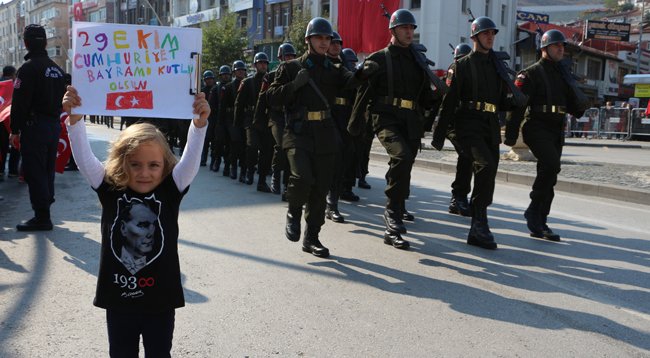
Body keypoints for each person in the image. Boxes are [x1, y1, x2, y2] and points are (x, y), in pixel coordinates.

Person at [62, 85, 210, 357]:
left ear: (164, 166)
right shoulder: (110, 188)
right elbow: (84, 160)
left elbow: (190, 161)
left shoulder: (171, 188)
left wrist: (199, 125)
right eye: (135, 164)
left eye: (153, 165)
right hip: (119, 300)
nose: (144, 173)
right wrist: (75, 120)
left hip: (160, 302)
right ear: (122, 163)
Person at [267, 17, 374, 258]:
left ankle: (312, 237)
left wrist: (364, 73)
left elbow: (350, 82)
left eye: (328, 38)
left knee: (320, 187)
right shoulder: (291, 68)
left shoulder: (335, 69)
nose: (325, 43)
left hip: (325, 133)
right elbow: (272, 98)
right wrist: (294, 86)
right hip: (298, 131)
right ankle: (293, 211)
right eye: (319, 38)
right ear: (308, 40)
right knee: (302, 176)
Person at [432, 16, 523, 250]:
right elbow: (449, 102)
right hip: (467, 125)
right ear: (474, 37)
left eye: (492, 34)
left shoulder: (497, 66)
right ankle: (479, 222)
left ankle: (479, 220)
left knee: (490, 169)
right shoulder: (461, 66)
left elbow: (501, 101)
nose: (490, 37)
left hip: (490, 126)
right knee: (485, 165)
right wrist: (438, 134)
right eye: (485, 34)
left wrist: (516, 101)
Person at [351, 9, 437, 249]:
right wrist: (361, 72)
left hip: (410, 120)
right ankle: (391, 213)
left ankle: (396, 216)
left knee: (404, 164)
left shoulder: (418, 61)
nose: (410, 32)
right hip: (385, 117)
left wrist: (438, 95)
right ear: (393, 31)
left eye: (412, 28)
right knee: (402, 156)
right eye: (404, 28)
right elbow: (356, 84)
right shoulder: (379, 58)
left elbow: (424, 98)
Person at [505, 29, 588, 242]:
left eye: (562, 46)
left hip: (556, 128)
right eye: (556, 45)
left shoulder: (563, 73)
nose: (561, 49)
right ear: (544, 48)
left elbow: (573, 106)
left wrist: (581, 102)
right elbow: (517, 107)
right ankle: (534, 210)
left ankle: (541, 221)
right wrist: (511, 134)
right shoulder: (530, 73)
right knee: (551, 165)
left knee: (550, 174)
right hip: (536, 126)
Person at [9, 24, 66, 231]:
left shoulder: (28, 69)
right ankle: (45, 209)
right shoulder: (57, 70)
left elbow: (19, 103)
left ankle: (42, 217)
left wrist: (14, 130)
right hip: (53, 126)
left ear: (25, 43)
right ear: (45, 42)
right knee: (47, 169)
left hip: (35, 127)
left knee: (35, 171)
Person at [325, 33, 358, 223]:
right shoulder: (323, 65)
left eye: (338, 43)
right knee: (332, 157)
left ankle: (333, 201)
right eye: (333, 42)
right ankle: (328, 201)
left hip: (345, 115)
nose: (336, 46)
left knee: (344, 158)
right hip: (328, 115)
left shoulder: (346, 66)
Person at [234, 52, 272, 191]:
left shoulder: (271, 81)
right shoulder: (247, 82)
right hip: (250, 120)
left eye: (265, 63)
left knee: (266, 151)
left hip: (266, 120)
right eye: (260, 63)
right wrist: (237, 125)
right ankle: (249, 171)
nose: (263, 65)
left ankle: (261, 181)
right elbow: (239, 104)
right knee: (252, 147)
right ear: (255, 65)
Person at [266, 43, 297, 200]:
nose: (289, 59)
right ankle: (276, 176)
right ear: (279, 58)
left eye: (292, 56)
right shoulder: (271, 76)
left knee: (291, 150)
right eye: (287, 56)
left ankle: (287, 186)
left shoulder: (297, 75)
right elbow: (263, 99)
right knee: (280, 145)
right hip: (276, 117)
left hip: (291, 116)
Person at [446, 43, 473, 217]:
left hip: (468, 122)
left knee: (469, 157)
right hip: (453, 122)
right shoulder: (453, 70)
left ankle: (461, 196)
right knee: (466, 154)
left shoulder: (474, 70)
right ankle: (458, 197)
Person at [220, 60, 247, 181]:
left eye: (242, 70)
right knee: (234, 143)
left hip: (244, 118)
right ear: (234, 72)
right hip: (231, 119)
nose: (241, 72)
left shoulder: (248, 84)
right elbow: (222, 106)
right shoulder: (228, 87)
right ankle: (232, 167)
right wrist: (220, 124)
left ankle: (243, 171)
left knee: (245, 145)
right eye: (238, 70)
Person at [208, 65, 232, 173]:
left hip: (229, 119)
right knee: (218, 142)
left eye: (227, 74)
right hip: (218, 119)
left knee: (229, 143)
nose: (226, 76)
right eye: (224, 75)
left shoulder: (233, 86)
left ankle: (227, 165)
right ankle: (216, 160)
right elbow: (211, 105)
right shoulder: (215, 89)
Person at [200, 70, 217, 167]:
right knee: (205, 140)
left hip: (214, 117)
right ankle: (203, 158)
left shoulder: (216, 89)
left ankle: (214, 160)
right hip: (205, 117)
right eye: (207, 79)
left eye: (210, 79)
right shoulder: (202, 91)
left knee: (215, 141)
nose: (209, 81)